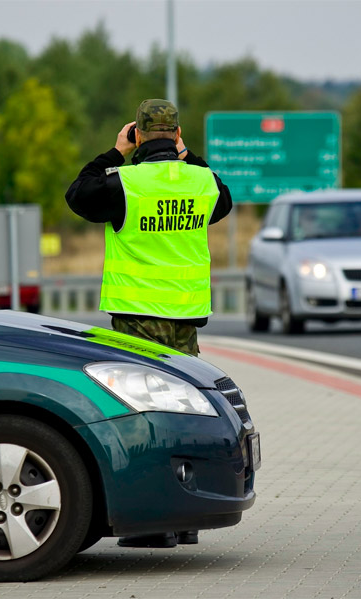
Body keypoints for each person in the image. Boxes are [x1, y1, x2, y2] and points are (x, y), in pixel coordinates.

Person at [65, 99, 232, 548]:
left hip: (139, 319)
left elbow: (78, 194)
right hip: (185, 323)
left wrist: (114, 153)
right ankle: (186, 519)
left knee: (144, 418)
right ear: (176, 136)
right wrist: (188, 156)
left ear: (137, 134)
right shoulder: (203, 181)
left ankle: (154, 524)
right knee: (187, 412)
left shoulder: (124, 182)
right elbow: (224, 202)